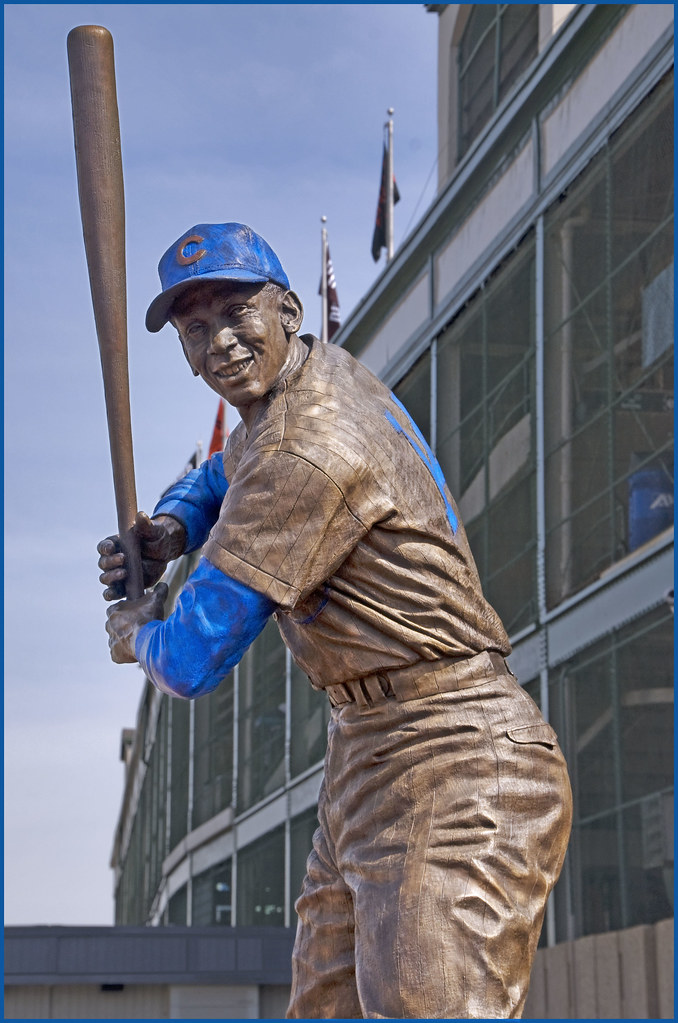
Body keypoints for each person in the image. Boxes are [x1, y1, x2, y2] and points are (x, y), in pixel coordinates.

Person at [99, 222, 572, 1019]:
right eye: (194, 329)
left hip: (455, 750)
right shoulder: (304, 387)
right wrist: (171, 528)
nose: (218, 343)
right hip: (366, 755)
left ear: (286, 307)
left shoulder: (306, 445)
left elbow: (189, 658)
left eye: (234, 313)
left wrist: (135, 630)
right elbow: (219, 473)